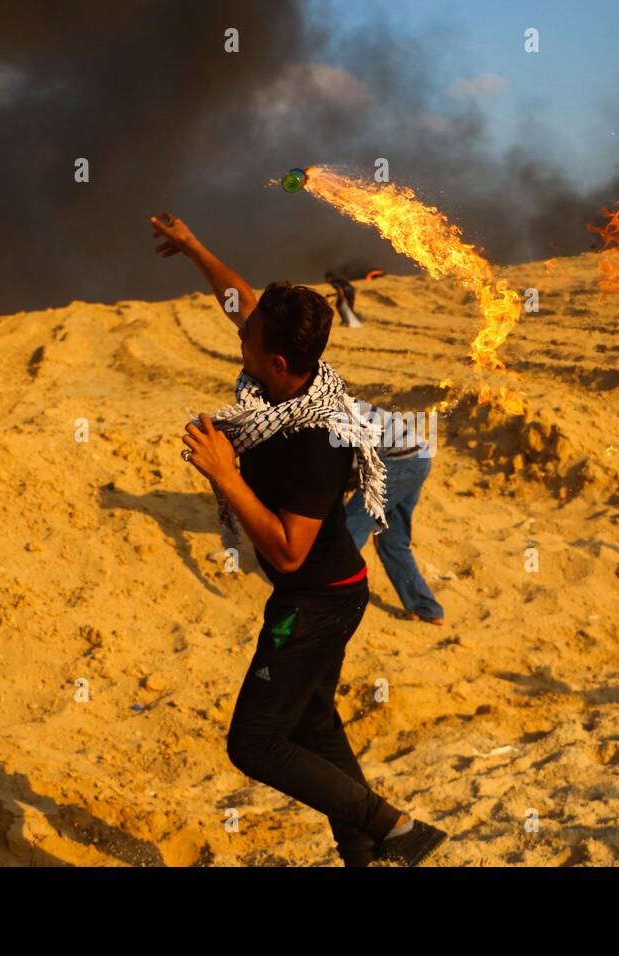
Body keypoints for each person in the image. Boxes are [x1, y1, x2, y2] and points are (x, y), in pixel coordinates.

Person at [149, 211, 447, 867]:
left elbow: (288, 549)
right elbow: (242, 302)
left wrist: (227, 477)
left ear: (277, 361)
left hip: (315, 601)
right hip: (322, 593)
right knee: (311, 718)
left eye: (248, 340)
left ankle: (393, 825)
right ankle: (366, 852)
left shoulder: (318, 436)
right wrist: (196, 245)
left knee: (254, 741)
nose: (240, 337)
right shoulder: (283, 385)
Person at [342, 401, 445, 624]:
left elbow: (342, 475)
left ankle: (326, 601)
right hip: (418, 458)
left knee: (348, 532)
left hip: (398, 461)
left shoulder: (325, 421)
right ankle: (427, 608)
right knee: (393, 541)